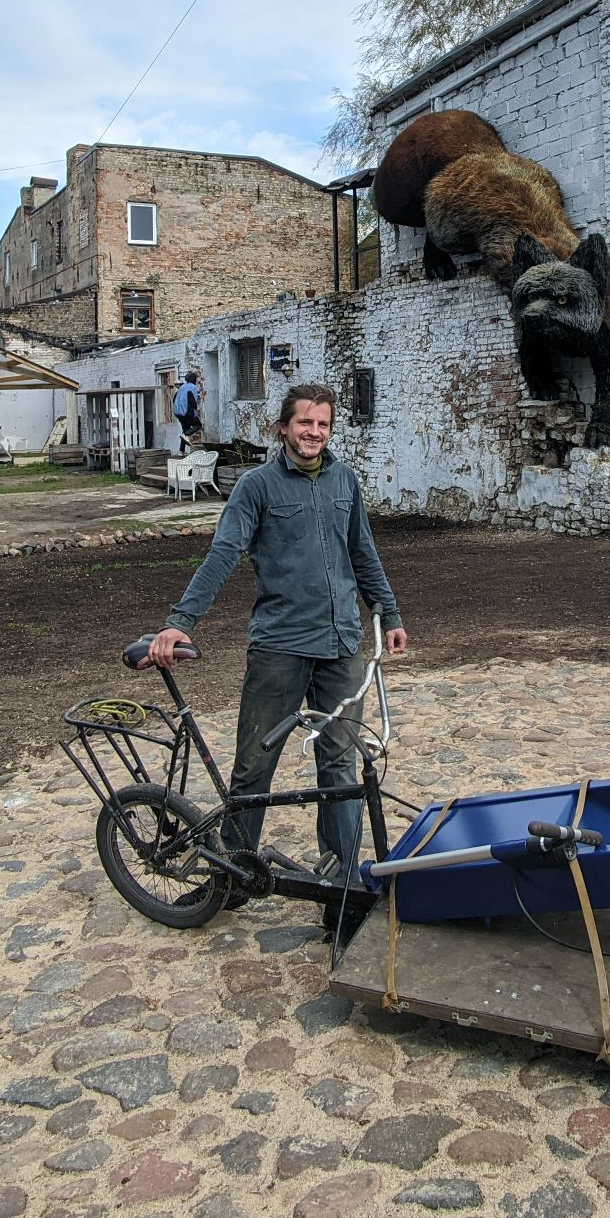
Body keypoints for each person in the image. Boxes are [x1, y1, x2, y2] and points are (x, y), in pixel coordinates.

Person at [150, 382, 405, 886]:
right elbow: (223, 554)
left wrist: (389, 614)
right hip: (281, 647)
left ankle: (343, 880)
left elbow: (363, 552)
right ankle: (233, 874)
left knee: (340, 765)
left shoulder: (345, 482)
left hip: (341, 645)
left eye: (323, 425)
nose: (314, 433)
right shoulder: (257, 486)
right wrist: (180, 621)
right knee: (254, 765)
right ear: (284, 427)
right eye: (305, 423)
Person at [172, 372, 203, 453]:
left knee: (186, 429)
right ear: (194, 379)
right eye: (196, 378)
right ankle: (185, 436)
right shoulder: (193, 387)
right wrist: (195, 413)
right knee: (198, 425)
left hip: (178, 413)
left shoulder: (182, 387)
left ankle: (181, 451)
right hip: (186, 412)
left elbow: (174, 399)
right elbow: (192, 401)